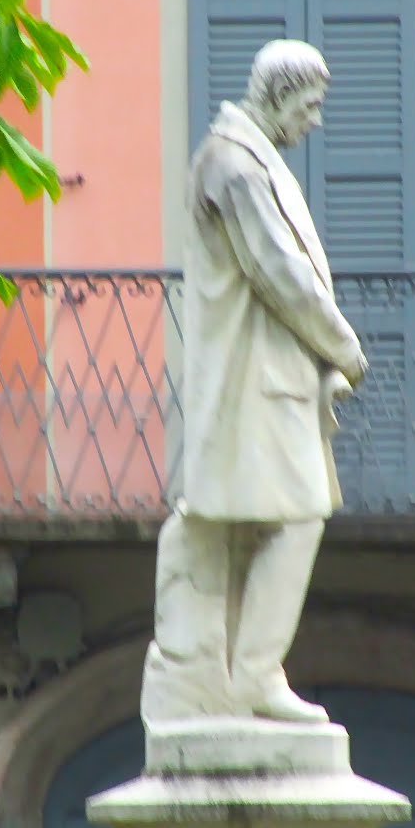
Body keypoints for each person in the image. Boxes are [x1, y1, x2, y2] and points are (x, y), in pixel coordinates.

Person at [141, 40, 369, 725]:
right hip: (254, 384)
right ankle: (254, 679)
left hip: (270, 380)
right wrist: (346, 348)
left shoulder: (244, 160)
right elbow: (280, 275)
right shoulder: (234, 166)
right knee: (297, 518)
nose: (315, 121)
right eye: (309, 105)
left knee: (261, 524)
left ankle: (230, 677)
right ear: (275, 96)